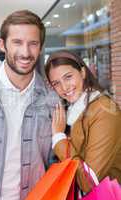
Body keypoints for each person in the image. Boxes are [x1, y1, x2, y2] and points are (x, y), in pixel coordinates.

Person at [0, 10, 58, 200]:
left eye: (33, 43)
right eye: (17, 42)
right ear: (2, 45)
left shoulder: (53, 98)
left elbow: (56, 159)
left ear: (40, 47)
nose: (25, 52)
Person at [45, 50, 121, 193]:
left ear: (83, 72)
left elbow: (89, 182)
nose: (64, 88)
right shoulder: (73, 111)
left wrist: (59, 137)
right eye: (56, 83)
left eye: (68, 77)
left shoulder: (104, 110)